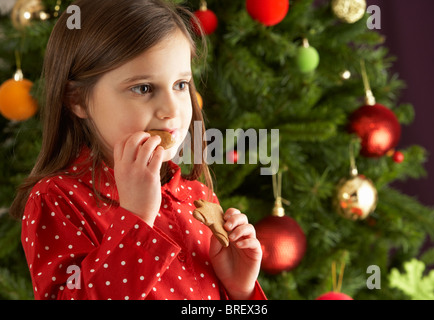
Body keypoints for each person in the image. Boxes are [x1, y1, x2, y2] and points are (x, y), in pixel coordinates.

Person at [10, 0, 265, 300]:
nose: (172, 110)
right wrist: (136, 219)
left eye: (181, 85)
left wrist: (239, 290)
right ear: (76, 99)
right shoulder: (57, 200)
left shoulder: (197, 196)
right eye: (143, 88)